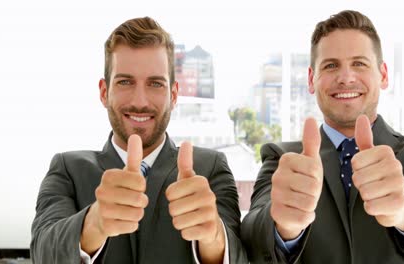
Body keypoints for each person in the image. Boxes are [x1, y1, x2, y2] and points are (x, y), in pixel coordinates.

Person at [30, 17, 247, 264]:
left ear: (173, 95)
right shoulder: (67, 168)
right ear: (104, 92)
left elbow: (241, 255)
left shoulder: (210, 167)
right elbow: (42, 252)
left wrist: (213, 237)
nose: (140, 101)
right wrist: (93, 223)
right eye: (125, 82)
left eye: (155, 83)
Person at [241, 10, 404, 263]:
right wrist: (284, 226)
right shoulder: (283, 157)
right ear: (311, 79)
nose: (346, 77)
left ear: (383, 75)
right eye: (330, 65)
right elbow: (250, 236)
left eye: (359, 63)